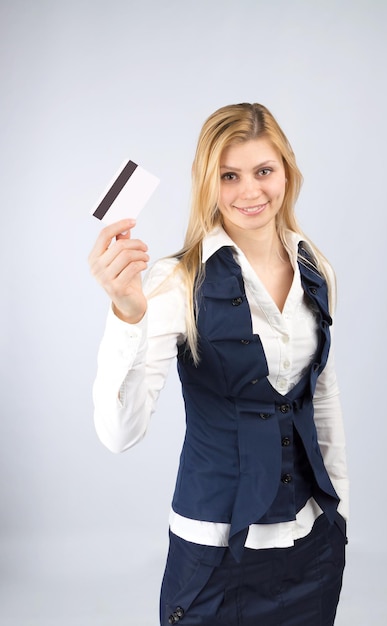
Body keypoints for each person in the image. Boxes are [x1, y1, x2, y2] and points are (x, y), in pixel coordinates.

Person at [89, 103, 349, 626]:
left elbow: (322, 395)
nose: (250, 191)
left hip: (310, 544)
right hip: (213, 552)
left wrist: (339, 513)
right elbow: (120, 435)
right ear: (208, 183)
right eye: (229, 176)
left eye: (263, 171)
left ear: (287, 172)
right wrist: (126, 315)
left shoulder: (314, 267)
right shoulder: (174, 282)